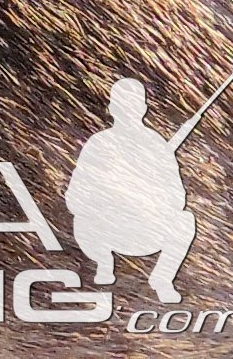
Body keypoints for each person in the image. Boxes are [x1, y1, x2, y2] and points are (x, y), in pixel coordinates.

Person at [68, 79, 201, 303]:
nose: (128, 111)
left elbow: (178, 198)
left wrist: (148, 197)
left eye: (132, 105)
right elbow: (74, 197)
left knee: (185, 221)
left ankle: (162, 279)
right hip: (105, 229)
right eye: (123, 105)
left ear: (143, 109)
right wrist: (108, 198)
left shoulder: (156, 145)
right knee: (81, 220)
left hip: (147, 231)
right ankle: (103, 262)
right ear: (111, 109)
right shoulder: (98, 144)